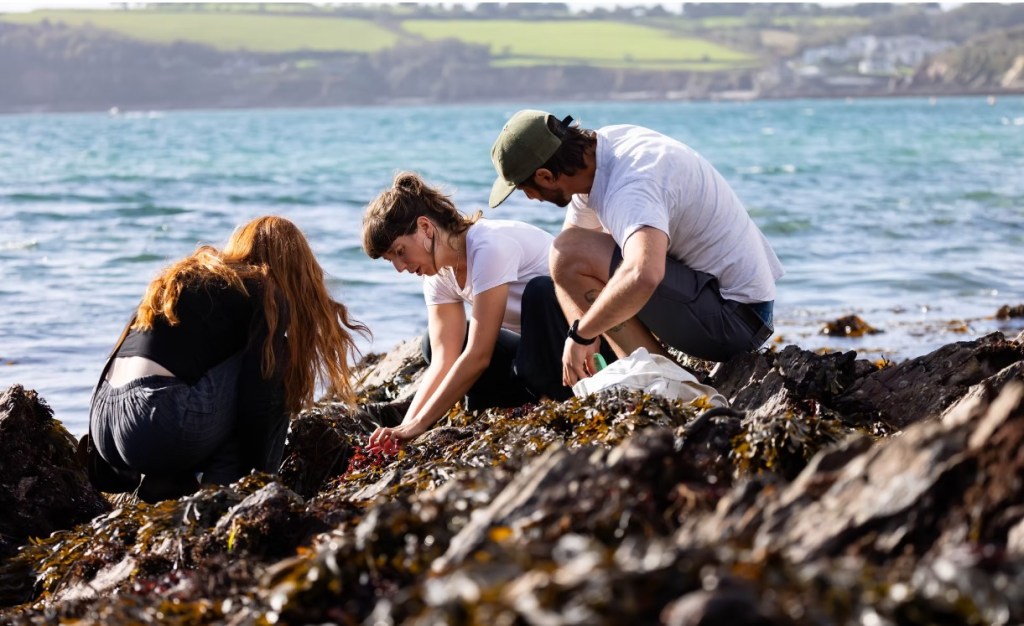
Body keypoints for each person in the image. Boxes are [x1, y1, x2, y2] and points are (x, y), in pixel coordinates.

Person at [488, 109, 784, 387]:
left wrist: (581, 336)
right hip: (739, 308)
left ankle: (667, 381)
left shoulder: (630, 185)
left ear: (545, 176)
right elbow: (569, 256)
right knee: (566, 254)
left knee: (569, 255)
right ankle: (646, 369)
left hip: (734, 321)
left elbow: (643, 273)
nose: (530, 198)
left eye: (525, 189)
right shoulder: (606, 150)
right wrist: (582, 325)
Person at [87, 216, 367, 502]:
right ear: (295, 267)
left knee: (213, 374)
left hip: (103, 423)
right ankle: (237, 493)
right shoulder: (266, 291)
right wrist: (259, 479)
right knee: (274, 361)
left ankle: (170, 483)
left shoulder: (186, 276)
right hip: (156, 423)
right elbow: (259, 400)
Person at [362, 172, 596, 450]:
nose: (400, 267)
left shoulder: (488, 246)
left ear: (425, 227)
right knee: (435, 343)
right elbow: (444, 361)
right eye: (390, 260)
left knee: (538, 293)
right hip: (537, 354)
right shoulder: (438, 274)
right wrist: (403, 430)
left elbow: (479, 355)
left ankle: (558, 394)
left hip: (583, 345)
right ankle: (505, 407)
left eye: (400, 252)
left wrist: (420, 425)